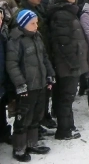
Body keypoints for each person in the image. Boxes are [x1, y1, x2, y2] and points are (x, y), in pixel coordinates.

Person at [6, 10, 55, 162]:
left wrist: (49, 74)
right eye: (32, 23)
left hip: (39, 84)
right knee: (24, 117)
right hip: (27, 87)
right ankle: (19, 148)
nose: (36, 26)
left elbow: (44, 58)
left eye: (36, 23)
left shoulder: (37, 37)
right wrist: (20, 84)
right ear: (23, 24)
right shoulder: (16, 40)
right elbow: (12, 65)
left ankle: (32, 143)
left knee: (36, 115)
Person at [47, 0, 89, 139]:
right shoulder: (61, 14)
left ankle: (68, 125)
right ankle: (64, 130)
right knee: (66, 96)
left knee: (66, 96)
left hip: (70, 62)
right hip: (67, 64)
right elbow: (63, 42)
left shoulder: (67, 12)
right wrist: (74, 62)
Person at [0, 4, 11, 145]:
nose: (0, 21)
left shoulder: (3, 36)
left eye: (1, 18)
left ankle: (3, 133)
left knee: (2, 110)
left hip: (2, 81)